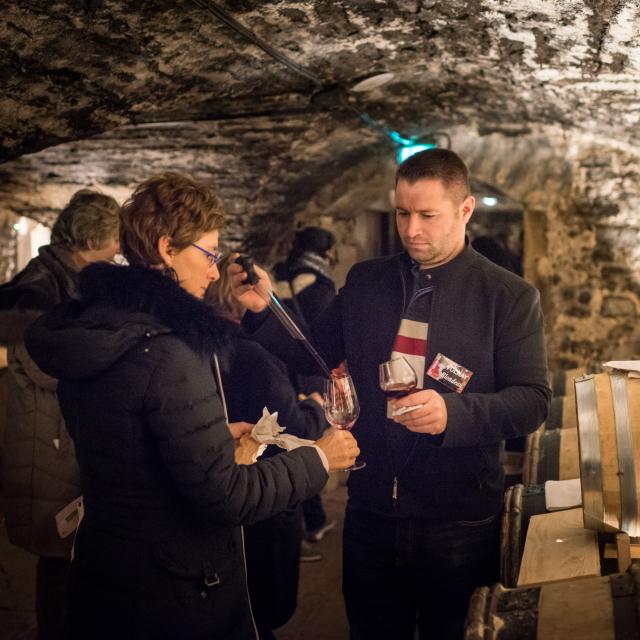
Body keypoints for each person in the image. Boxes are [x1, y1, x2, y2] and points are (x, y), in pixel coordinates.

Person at [229, 149, 551, 639]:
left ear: (465, 210)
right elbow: (312, 354)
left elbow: (532, 399)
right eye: (403, 213)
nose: (411, 229)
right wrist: (262, 310)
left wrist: (455, 414)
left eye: (427, 215)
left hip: (458, 517)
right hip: (371, 508)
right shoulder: (366, 281)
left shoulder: (507, 295)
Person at [23, 172, 359, 640]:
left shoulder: (99, 328)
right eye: (209, 254)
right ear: (166, 249)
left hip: (106, 569)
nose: (214, 271)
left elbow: (128, 442)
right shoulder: (171, 351)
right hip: (172, 591)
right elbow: (228, 497)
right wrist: (320, 457)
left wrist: (211, 438)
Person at [0, 189, 120, 640]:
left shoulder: (59, 278)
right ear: (90, 241)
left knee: (67, 561)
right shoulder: (41, 289)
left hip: (58, 435)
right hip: (48, 442)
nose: (117, 253)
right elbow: (42, 363)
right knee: (59, 562)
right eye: (114, 243)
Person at [206, 256, 327, 639]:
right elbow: (294, 428)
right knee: (258, 616)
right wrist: (316, 406)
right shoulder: (251, 355)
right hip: (262, 499)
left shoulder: (199, 344)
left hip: (222, 501)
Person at [273, 226, 338, 544]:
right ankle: (311, 521)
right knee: (308, 440)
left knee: (290, 442)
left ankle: (307, 520)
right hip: (306, 372)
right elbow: (325, 339)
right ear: (325, 251)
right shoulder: (319, 285)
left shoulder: (279, 274)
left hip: (277, 368)